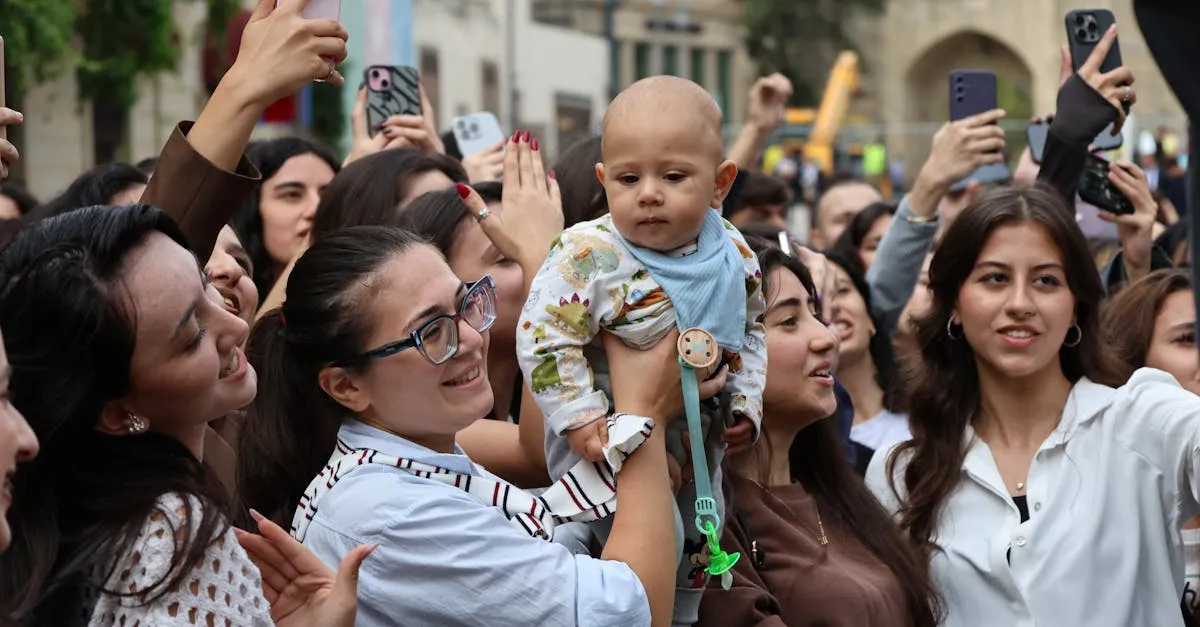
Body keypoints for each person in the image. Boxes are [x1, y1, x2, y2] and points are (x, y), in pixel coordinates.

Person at [245, 208, 715, 624]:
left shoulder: (414, 465)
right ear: (346, 386)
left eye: (466, 302)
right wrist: (643, 417)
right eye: (431, 332)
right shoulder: (389, 513)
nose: (470, 339)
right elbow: (633, 612)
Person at [867, 184, 1200, 627]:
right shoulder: (902, 469)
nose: (1020, 304)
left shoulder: (1142, 418)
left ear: (1076, 306)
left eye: (1046, 280)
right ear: (954, 305)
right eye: (995, 278)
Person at [516, 75, 766, 623]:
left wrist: (747, 401)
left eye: (674, 176)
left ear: (720, 182)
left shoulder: (737, 253)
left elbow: (751, 331)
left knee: (703, 527)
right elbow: (544, 336)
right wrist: (579, 416)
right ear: (604, 180)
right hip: (605, 427)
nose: (648, 192)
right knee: (624, 532)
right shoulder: (587, 254)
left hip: (701, 426)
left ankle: (681, 614)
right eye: (628, 178)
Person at [695, 236, 941, 627]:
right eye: (789, 321)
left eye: (816, 314)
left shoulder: (840, 494)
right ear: (723, 353)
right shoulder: (708, 524)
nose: (827, 336)